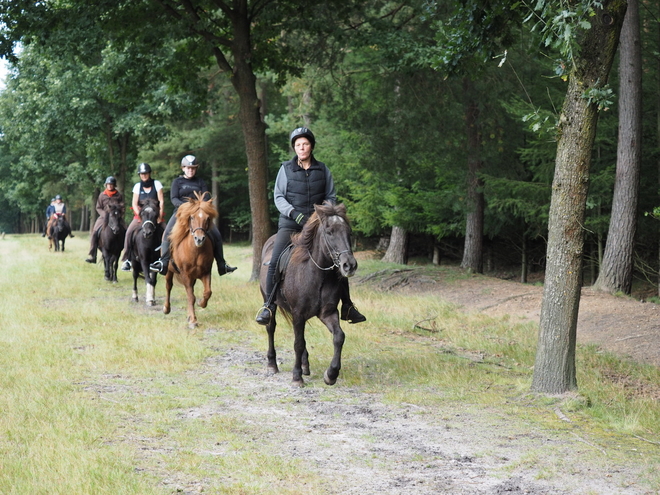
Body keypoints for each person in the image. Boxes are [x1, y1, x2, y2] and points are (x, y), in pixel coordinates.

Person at [255, 127, 366, 326]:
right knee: (275, 260)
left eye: (305, 144)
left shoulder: (323, 169)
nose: (301, 147)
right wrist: (294, 214)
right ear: (294, 148)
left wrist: (320, 216)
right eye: (298, 145)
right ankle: (269, 306)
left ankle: (347, 306)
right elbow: (278, 197)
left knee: (338, 258)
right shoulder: (285, 169)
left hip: (317, 225)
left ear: (311, 146)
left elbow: (330, 196)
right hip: (291, 224)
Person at [149, 155, 236, 277]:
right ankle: (163, 262)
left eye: (193, 168)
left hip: (199, 214)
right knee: (167, 233)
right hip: (181, 213)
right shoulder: (177, 182)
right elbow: (174, 198)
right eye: (188, 168)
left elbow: (205, 198)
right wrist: (187, 207)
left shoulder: (200, 182)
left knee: (216, 234)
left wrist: (198, 207)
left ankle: (221, 264)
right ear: (183, 168)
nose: (191, 170)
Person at [120, 163, 166, 271]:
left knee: (168, 233)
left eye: (145, 173)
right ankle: (127, 259)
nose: (144, 175)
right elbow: (134, 204)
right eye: (142, 174)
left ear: (149, 173)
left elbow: (162, 201)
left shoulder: (157, 184)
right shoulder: (137, 186)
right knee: (129, 232)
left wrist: (159, 216)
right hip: (141, 217)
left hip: (155, 216)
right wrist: (140, 216)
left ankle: (167, 259)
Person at [85, 176, 125, 263]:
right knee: (95, 231)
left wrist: (119, 214)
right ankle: (93, 255)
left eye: (111, 184)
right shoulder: (102, 195)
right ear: (106, 185)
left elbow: (122, 206)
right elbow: (98, 207)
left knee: (126, 230)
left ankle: (127, 254)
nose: (110, 186)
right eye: (108, 184)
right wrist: (105, 215)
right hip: (104, 217)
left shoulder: (118, 195)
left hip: (116, 217)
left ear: (114, 185)